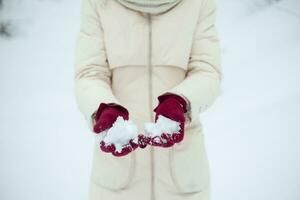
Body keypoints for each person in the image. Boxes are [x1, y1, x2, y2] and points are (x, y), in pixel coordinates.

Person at [73, 0, 222, 199]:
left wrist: (181, 100)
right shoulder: (98, 3)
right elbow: (90, 72)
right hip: (116, 180)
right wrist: (103, 108)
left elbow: (206, 70)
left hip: (183, 177)